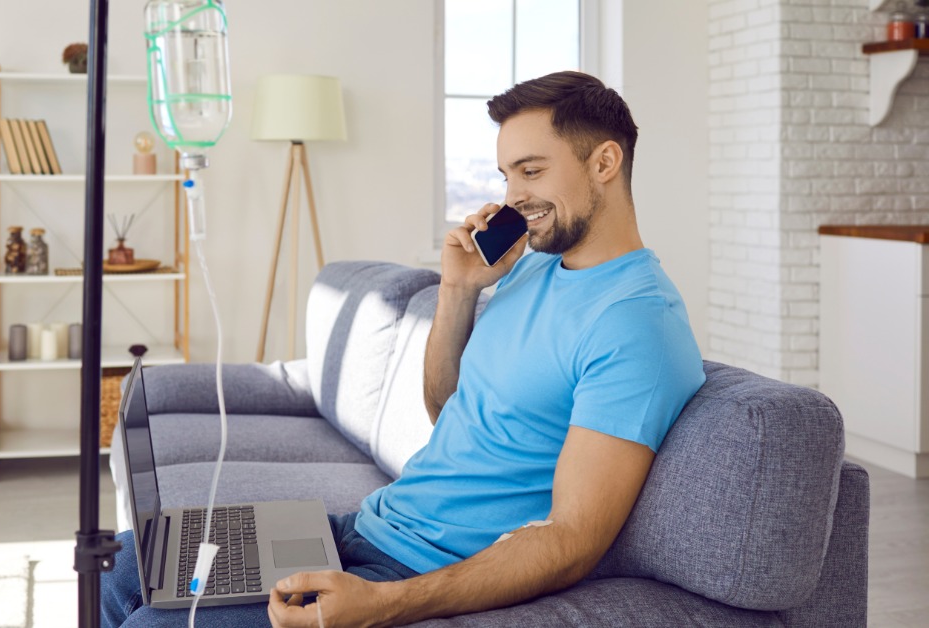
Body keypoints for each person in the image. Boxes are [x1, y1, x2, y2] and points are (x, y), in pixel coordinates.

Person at [102, 70, 705, 628]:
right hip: (363, 526)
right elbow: (448, 407)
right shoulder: (531, 268)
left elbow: (573, 539)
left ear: (604, 161)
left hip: (413, 572)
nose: (514, 195)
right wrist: (457, 289)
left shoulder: (636, 325)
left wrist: (381, 605)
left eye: (532, 170)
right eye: (506, 176)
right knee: (121, 565)